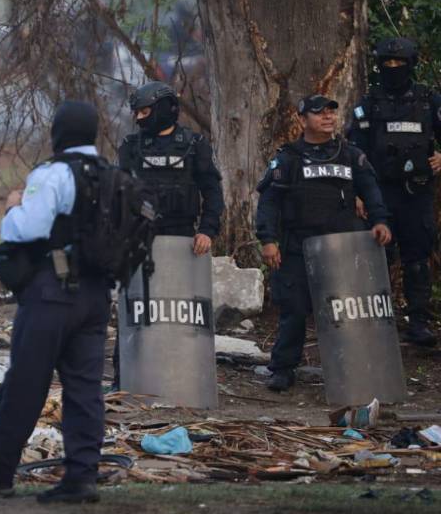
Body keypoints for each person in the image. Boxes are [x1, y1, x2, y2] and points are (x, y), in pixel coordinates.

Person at [0, 101, 110, 503]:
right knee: (85, 390)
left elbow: (27, 230)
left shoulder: (53, 173)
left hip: (52, 293)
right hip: (96, 295)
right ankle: (81, 478)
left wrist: (12, 208)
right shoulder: (112, 174)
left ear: (60, 132)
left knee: (24, 384)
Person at [256, 95, 392, 392]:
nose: (328, 117)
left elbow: (371, 190)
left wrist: (380, 220)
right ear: (302, 120)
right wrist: (268, 239)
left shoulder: (350, 155)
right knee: (294, 309)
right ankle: (283, 368)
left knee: (347, 309)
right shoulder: (288, 158)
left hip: (342, 247)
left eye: (331, 112)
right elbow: (269, 202)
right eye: (319, 113)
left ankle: (354, 368)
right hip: (298, 246)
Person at [115, 81, 223, 385]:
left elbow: (212, 191)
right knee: (135, 307)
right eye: (137, 113)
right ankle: (126, 377)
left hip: (183, 239)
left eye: (145, 111)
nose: (139, 118)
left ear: (163, 108)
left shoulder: (194, 144)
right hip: (140, 238)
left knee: (182, 310)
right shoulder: (131, 146)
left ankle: (185, 376)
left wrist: (207, 230)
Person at [347, 37, 441, 346]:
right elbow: (354, 152)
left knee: (418, 257)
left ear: (411, 65)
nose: (393, 67)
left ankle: (419, 322)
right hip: (379, 193)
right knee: (377, 257)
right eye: (387, 63)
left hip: (417, 193)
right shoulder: (368, 103)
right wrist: (358, 194)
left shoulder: (428, 100)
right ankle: (376, 322)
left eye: (399, 63)